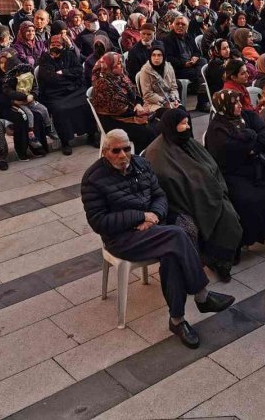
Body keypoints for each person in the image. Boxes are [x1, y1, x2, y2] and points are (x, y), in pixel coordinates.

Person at [81, 129, 235, 349]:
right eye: (116, 151)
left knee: (172, 253)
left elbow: (160, 195)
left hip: (153, 229)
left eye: (127, 149)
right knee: (177, 235)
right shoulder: (93, 179)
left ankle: (177, 320)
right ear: (105, 152)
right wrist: (139, 216)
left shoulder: (141, 165)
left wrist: (153, 218)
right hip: (122, 239)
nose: (123, 155)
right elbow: (99, 222)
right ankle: (202, 296)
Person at [146, 108, 243, 282]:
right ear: (171, 126)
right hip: (181, 201)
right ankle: (213, 261)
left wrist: (209, 186)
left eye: (187, 122)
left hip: (206, 193)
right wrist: (199, 187)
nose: (188, 127)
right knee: (208, 220)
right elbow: (168, 182)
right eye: (182, 124)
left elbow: (210, 165)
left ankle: (222, 260)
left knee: (229, 215)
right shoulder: (157, 152)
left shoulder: (188, 142)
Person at [205, 89, 265, 247]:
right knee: (251, 200)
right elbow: (228, 153)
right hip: (235, 173)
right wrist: (252, 143)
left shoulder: (248, 116)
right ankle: (242, 241)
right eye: (234, 103)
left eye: (239, 101)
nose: (239, 106)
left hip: (258, 164)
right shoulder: (217, 129)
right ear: (224, 106)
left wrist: (251, 148)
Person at [37, 34, 97, 155]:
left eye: (58, 44)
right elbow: (49, 78)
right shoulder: (45, 58)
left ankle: (91, 135)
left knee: (85, 103)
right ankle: (65, 142)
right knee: (60, 109)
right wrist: (68, 77)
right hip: (55, 92)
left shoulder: (69, 55)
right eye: (52, 44)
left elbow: (79, 70)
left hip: (73, 89)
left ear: (63, 45)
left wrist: (63, 72)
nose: (55, 46)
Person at [0, 48, 50, 161]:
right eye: (1, 62)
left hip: (25, 102)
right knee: (21, 118)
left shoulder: (21, 70)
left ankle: (37, 147)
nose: (3, 65)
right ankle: (21, 151)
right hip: (5, 106)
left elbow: (33, 85)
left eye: (6, 62)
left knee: (36, 115)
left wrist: (32, 96)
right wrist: (12, 102)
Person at [90, 52, 158, 150]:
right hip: (113, 121)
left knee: (156, 125)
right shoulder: (102, 84)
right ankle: (141, 159)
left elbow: (135, 93)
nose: (121, 66)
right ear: (109, 66)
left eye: (121, 62)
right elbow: (116, 108)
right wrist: (136, 112)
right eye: (118, 63)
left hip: (128, 112)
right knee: (147, 132)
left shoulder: (120, 77)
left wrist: (138, 104)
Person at [163, 16, 210, 112]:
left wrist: (195, 58)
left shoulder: (189, 36)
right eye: (177, 24)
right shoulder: (167, 39)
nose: (180, 26)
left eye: (183, 24)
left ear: (187, 27)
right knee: (203, 75)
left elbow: (197, 52)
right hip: (179, 68)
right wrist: (184, 64)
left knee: (203, 61)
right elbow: (168, 58)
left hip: (192, 65)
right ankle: (202, 102)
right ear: (173, 25)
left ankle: (201, 92)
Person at [138, 43, 181, 115]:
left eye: (159, 55)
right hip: (153, 103)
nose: (156, 58)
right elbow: (147, 94)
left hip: (170, 100)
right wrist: (165, 102)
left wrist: (174, 99)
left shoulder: (169, 67)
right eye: (153, 55)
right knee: (171, 115)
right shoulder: (145, 70)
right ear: (150, 57)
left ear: (163, 57)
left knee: (183, 112)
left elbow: (174, 87)